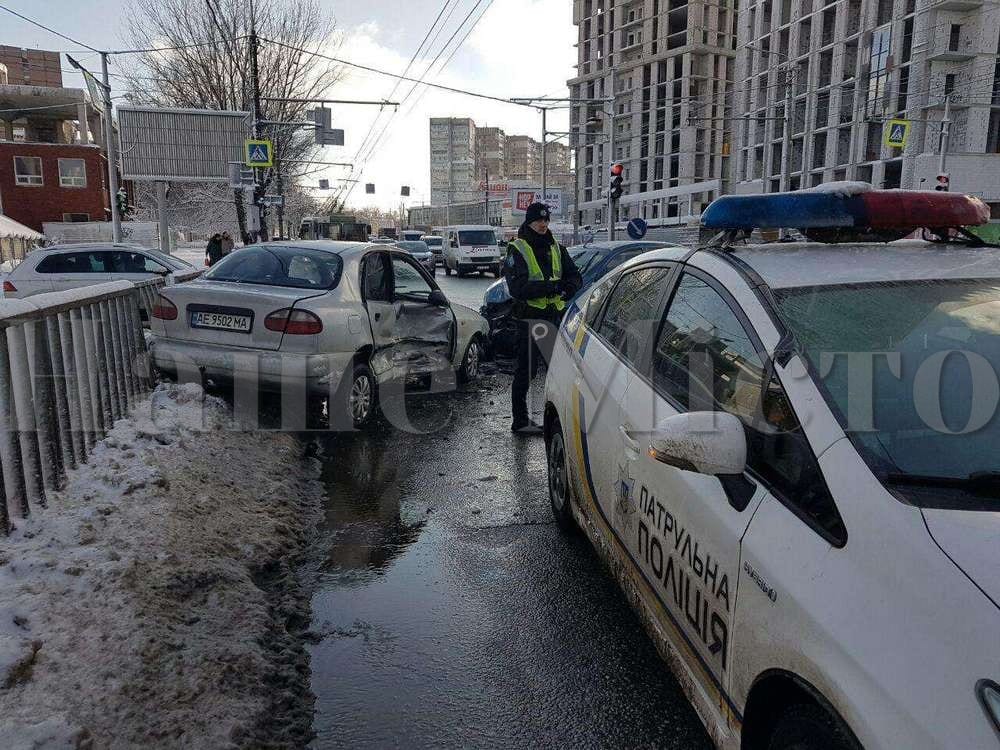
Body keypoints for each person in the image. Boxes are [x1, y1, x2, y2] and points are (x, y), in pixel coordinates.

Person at [504, 202, 582, 435]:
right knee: (526, 371)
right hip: (529, 319)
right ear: (529, 221)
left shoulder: (556, 247)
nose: (543, 224)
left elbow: (575, 276)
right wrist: (551, 288)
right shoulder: (517, 248)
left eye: (546, 220)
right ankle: (520, 421)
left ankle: (563, 421)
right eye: (539, 220)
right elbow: (517, 287)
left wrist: (569, 289)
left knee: (558, 371)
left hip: (554, 319)